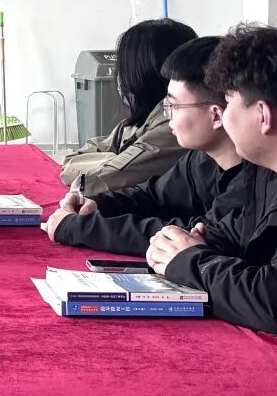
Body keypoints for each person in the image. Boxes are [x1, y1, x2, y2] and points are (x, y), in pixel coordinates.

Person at [147, 24, 277, 375]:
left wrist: (191, 261)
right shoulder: (270, 172)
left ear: (263, 116)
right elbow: (227, 235)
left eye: (229, 102)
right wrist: (186, 245)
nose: (222, 115)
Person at [45, 36, 246, 255]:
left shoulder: (252, 180)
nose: (167, 115)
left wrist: (80, 227)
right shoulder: (202, 159)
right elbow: (152, 196)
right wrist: (95, 204)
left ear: (216, 115)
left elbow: (198, 236)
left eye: (173, 105)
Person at [60, 18, 198, 193]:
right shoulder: (139, 120)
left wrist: (115, 161)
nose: (119, 78)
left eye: (123, 68)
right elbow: (74, 159)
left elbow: (96, 182)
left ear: (143, 72)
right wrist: (115, 159)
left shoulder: (173, 123)